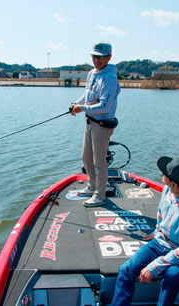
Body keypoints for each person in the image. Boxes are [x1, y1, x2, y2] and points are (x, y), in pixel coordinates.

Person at [111, 157, 179, 306]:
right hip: (160, 242)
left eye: (165, 174)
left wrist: (155, 266)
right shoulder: (167, 190)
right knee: (126, 270)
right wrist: (157, 231)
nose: (162, 175)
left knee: (173, 277)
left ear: (174, 184)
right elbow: (162, 214)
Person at [70, 41, 121, 207]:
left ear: (108, 57)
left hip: (102, 123)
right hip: (90, 121)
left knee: (99, 161)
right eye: (94, 56)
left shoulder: (110, 78)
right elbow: (87, 96)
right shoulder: (92, 73)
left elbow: (105, 106)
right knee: (86, 157)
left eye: (101, 57)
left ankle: (100, 196)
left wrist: (81, 108)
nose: (97, 60)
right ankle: (91, 187)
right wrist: (75, 104)